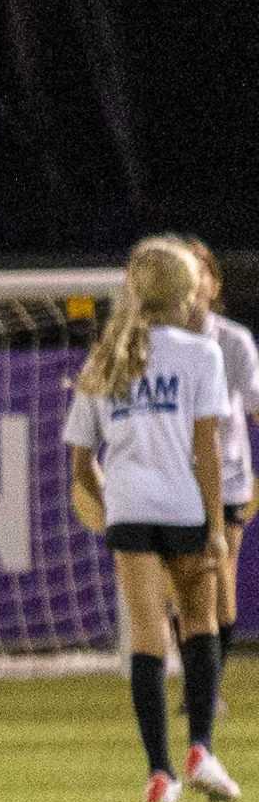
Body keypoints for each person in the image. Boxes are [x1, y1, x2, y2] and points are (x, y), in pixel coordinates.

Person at [64, 237, 237, 802]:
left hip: (131, 509)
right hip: (184, 505)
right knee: (200, 623)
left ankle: (160, 774)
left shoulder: (104, 357)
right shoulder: (200, 354)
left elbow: (80, 462)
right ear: (186, 296)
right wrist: (215, 525)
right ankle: (202, 749)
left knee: (147, 635)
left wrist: (111, 500)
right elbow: (206, 448)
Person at [186, 237, 259, 685]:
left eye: (200, 275)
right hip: (175, 478)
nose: (192, 286)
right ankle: (199, 687)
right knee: (188, 588)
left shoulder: (234, 341)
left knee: (219, 582)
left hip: (228, 477)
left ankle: (206, 687)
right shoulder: (155, 344)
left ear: (214, 284)